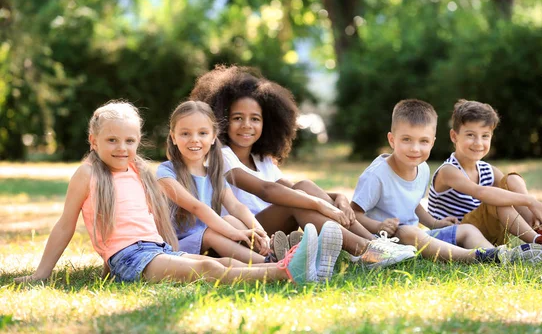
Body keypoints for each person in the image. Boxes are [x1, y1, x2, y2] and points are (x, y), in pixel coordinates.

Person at [14, 101, 342, 285]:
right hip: (129, 257)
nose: (121, 148)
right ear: (93, 140)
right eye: (111, 140)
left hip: (154, 249)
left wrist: (170, 251)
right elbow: (65, 225)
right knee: (208, 270)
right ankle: (287, 272)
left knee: (225, 260)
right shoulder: (87, 174)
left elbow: (155, 219)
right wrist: (43, 273)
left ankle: (294, 263)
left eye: (129, 141)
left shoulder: (139, 171)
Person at [190, 65, 416, 269]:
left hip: (269, 232)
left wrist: (339, 198)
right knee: (295, 202)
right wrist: (320, 203)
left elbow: (294, 188)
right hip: (241, 236)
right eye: (237, 118)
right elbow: (267, 191)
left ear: (267, 122)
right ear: (221, 119)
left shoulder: (262, 159)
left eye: (255, 119)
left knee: (303, 186)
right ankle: (363, 251)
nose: (247, 125)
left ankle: (375, 244)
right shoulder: (221, 155)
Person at [351, 99, 542, 264]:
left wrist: (435, 224)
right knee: (409, 231)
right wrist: (378, 227)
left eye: (423, 141)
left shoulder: (422, 168)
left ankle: (498, 255)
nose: (415, 149)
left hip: (420, 237)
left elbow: (414, 204)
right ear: (392, 140)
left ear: (433, 142)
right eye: (406, 140)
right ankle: (473, 256)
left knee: (467, 230)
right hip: (384, 242)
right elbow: (354, 214)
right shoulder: (377, 175)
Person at [428, 99, 542, 257]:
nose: (478, 143)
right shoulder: (448, 171)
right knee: (495, 199)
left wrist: (530, 203)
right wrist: (530, 201)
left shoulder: (487, 170)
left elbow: (510, 186)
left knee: (511, 179)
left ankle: (541, 234)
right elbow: (481, 192)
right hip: (453, 238)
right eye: (470, 135)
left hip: (485, 235)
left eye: (485, 136)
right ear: (454, 136)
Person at [157, 100, 271, 265]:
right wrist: (233, 234)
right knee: (213, 232)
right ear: (174, 137)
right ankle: (270, 263)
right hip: (176, 248)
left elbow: (237, 206)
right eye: (185, 134)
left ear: (213, 137)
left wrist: (259, 231)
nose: (194, 140)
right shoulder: (165, 173)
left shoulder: (213, 174)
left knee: (230, 219)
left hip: (211, 239)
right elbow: (197, 207)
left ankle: (272, 250)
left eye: (202, 133)